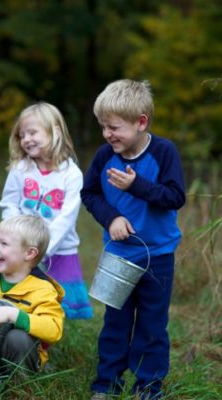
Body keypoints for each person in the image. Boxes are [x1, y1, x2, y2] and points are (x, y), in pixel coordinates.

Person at [81, 79, 185, 400]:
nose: (107, 135)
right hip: (118, 255)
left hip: (158, 257)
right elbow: (90, 193)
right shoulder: (103, 156)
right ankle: (106, 385)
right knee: (115, 323)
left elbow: (174, 196)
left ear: (141, 123)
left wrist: (136, 185)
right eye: (103, 127)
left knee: (152, 327)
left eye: (114, 127)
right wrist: (112, 217)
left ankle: (148, 388)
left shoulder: (163, 152)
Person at [0, 102, 93, 320]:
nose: (27, 139)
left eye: (33, 132)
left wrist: (42, 250)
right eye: (22, 135)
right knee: (21, 303)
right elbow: (9, 203)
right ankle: (22, 346)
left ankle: (44, 346)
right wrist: (14, 241)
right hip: (21, 251)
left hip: (58, 251)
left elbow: (66, 218)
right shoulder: (20, 169)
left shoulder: (71, 174)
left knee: (51, 308)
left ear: (55, 132)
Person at [0, 215, 65, 393]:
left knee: (17, 338)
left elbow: (54, 329)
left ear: (29, 253)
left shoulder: (42, 289)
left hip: (21, 354)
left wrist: (14, 315)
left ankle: (21, 385)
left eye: (4, 244)